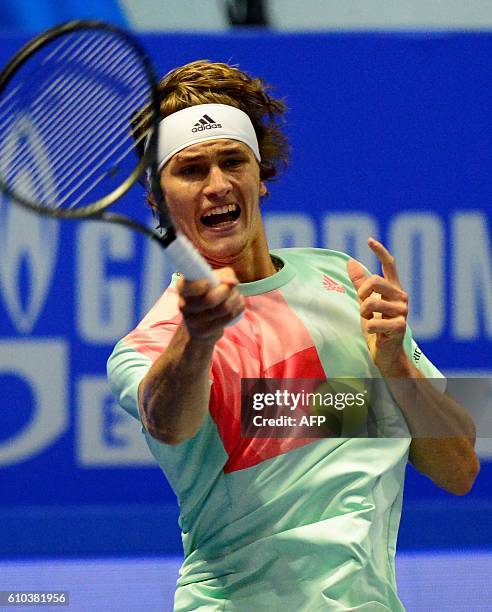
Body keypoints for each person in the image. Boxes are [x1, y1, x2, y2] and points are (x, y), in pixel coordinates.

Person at [107, 60, 479, 611]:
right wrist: (198, 337)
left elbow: (459, 467)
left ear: (260, 176)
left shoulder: (343, 280)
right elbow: (168, 420)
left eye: (233, 161)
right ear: (157, 200)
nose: (217, 185)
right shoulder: (152, 343)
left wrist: (395, 367)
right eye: (191, 171)